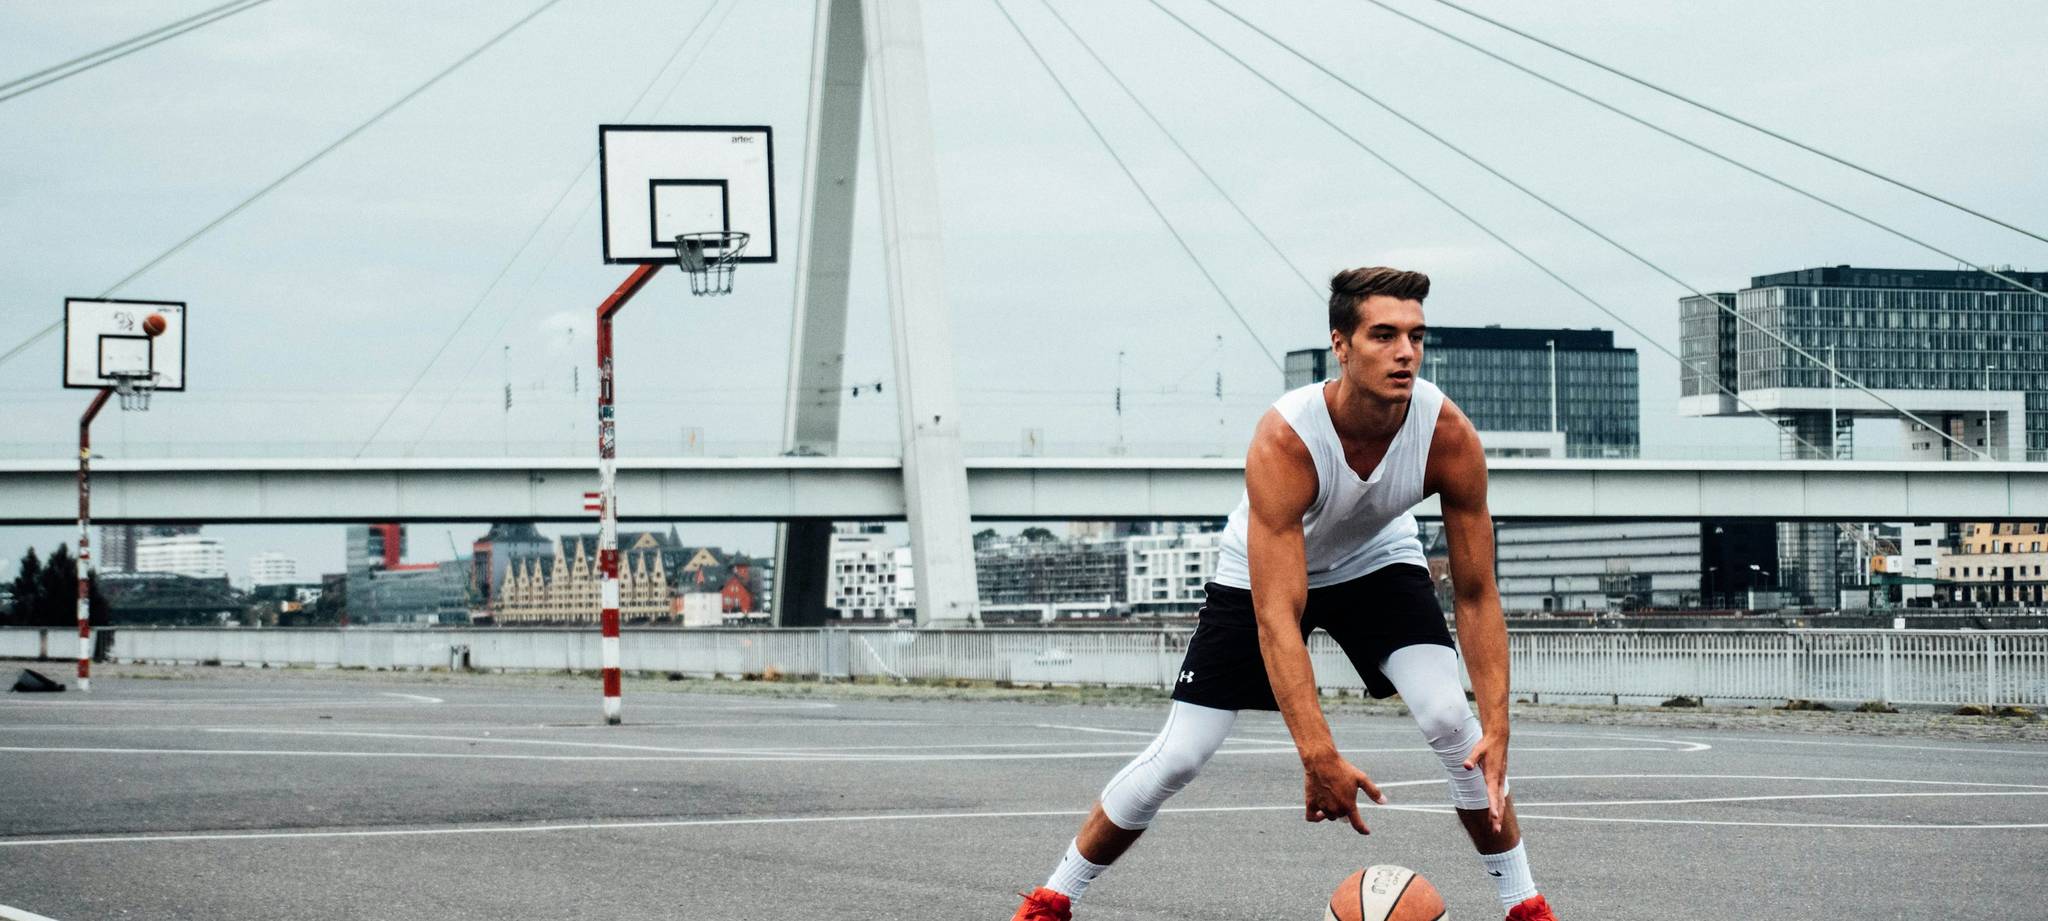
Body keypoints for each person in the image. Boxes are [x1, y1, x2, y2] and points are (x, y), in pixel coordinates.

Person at [1009, 267, 1556, 921]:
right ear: (1341, 345)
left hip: (1376, 561)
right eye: (1383, 335)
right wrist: (1318, 753)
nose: (1405, 352)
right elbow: (1277, 615)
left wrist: (1498, 724)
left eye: (1415, 336)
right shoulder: (1286, 438)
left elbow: (1476, 592)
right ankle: (1051, 899)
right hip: (1258, 576)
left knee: (1451, 721)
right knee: (1180, 755)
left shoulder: (1447, 434)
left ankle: (1525, 905)